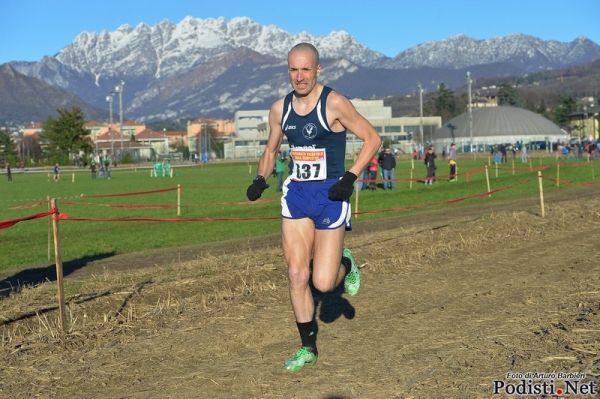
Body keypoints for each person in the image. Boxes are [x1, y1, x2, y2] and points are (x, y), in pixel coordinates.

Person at [245, 42, 381, 372]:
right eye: (293, 69)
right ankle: (308, 347)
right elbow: (271, 148)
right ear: (287, 70)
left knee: (322, 283)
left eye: (306, 69)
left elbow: (372, 139)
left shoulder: (333, 102)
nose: (299, 76)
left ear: (318, 69)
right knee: (296, 273)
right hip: (297, 197)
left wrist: (349, 177)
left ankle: (345, 264)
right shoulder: (280, 109)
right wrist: (261, 178)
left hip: (331, 196)